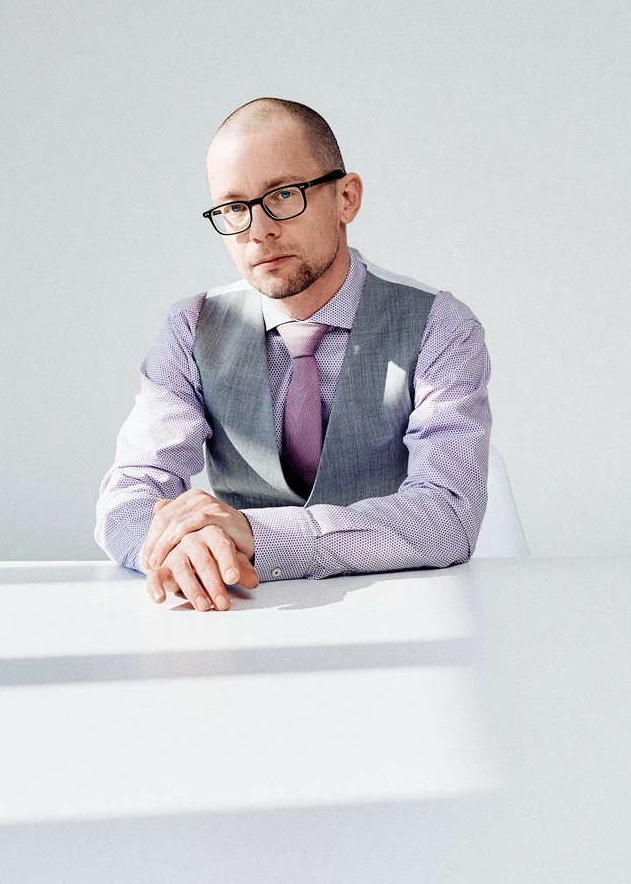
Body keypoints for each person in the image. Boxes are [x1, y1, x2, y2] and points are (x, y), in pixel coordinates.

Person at [94, 98, 491, 611]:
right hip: (237, 614)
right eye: (235, 208)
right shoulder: (192, 328)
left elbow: (448, 514)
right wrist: (178, 542)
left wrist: (256, 536)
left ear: (347, 198)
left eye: (283, 195)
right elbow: (128, 493)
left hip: (400, 613)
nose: (259, 230)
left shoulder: (439, 327)